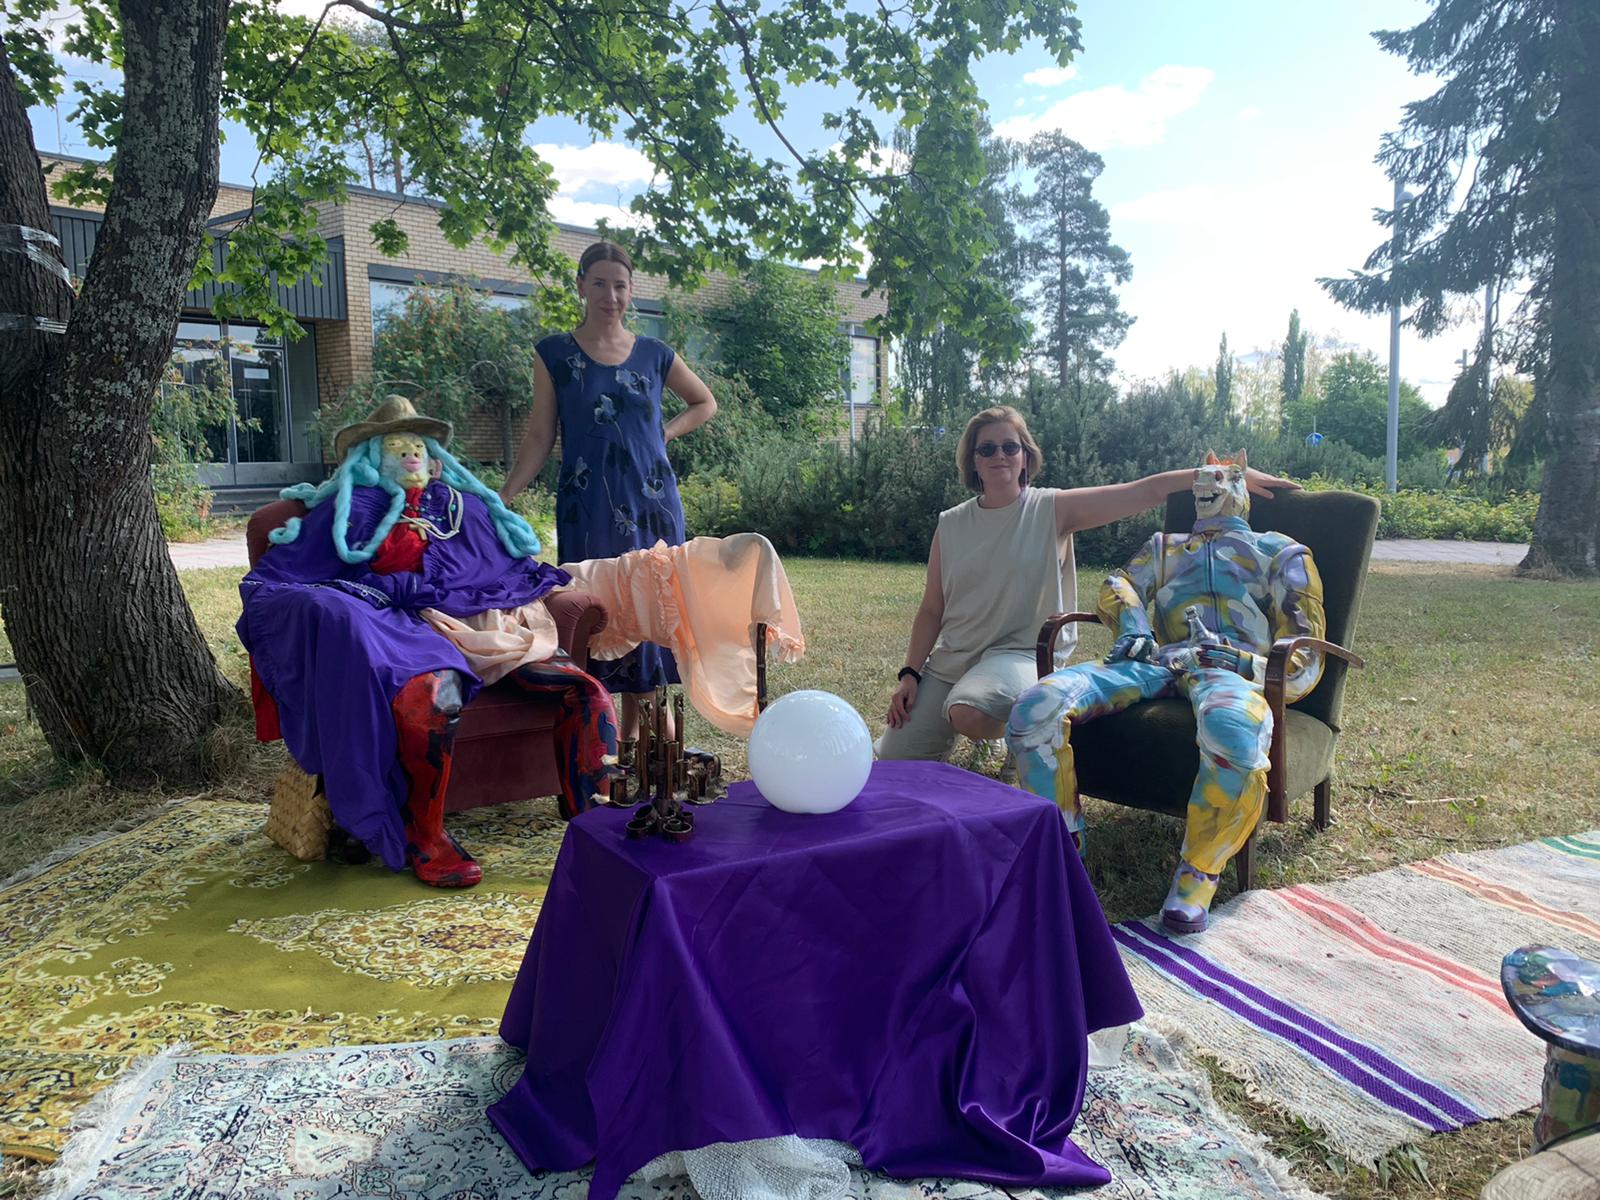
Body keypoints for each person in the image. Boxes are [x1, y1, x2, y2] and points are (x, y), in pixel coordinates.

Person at [241, 396, 618, 888]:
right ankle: (426, 833)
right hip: (397, 629)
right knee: (433, 698)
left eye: (418, 445)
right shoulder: (349, 508)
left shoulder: (461, 504)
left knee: (587, 692)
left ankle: (596, 824)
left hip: (479, 619)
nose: (411, 454)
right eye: (398, 445)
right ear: (372, 456)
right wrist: (385, 592)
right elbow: (292, 581)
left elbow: (503, 567)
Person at [1007, 451, 1326, 934]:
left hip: (1231, 672)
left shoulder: (1283, 554)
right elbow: (1118, 584)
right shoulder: (1164, 548)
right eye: (1202, 476)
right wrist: (1133, 625)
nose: (1206, 483)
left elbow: (1307, 657)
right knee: (1035, 706)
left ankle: (1197, 877)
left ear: (1239, 487)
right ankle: (1062, 851)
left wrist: (1245, 664)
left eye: (1221, 477)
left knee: (1234, 734)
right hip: (1156, 660)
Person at [879, 405, 1297, 769]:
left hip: (1018, 652)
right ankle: (971, 708)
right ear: (973, 461)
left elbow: (1144, 490)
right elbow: (932, 608)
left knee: (969, 711)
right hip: (953, 659)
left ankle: (1011, 732)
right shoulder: (951, 524)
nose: (999, 455)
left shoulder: (1052, 509)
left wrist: (1223, 475)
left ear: (1026, 457)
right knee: (892, 761)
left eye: (1010, 446)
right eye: (986, 448)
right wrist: (911, 674)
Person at [499, 241, 717, 745]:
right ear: (581, 286)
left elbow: (704, 402)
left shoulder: (656, 354)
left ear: (631, 290)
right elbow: (540, 436)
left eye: (620, 286)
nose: (610, 295)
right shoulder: (553, 354)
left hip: (653, 504)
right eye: (599, 283)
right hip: (589, 505)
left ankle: (639, 737)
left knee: (650, 609)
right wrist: (503, 497)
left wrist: (665, 434)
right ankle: (621, 735)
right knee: (601, 611)